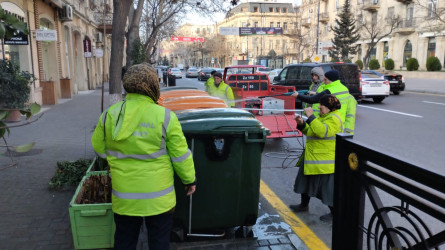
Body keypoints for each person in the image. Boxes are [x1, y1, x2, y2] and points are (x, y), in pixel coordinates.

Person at [91, 64, 196, 250]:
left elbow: (99, 148)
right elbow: (181, 155)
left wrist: (117, 158)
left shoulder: (109, 115)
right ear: (152, 85)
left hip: (125, 198)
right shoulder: (165, 116)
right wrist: (189, 180)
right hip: (159, 199)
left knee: (125, 240)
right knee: (159, 242)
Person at [290, 95, 343, 222]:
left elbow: (321, 131)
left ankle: (335, 213)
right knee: (305, 182)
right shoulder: (323, 116)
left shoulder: (334, 119)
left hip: (323, 160)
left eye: (322, 105)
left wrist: (311, 117)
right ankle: (303, 205)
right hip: (313, 156)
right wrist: (302, 124)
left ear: (330, 107)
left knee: (326, 189)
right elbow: (311, 132)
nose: (319, 107)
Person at [292, 69, 357, 135]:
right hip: (340, 124)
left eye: (325, 80)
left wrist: (298, 95)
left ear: (330, 80)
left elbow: (312, 99)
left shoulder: (329, 90)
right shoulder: (344, 88)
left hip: (328, 120)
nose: (324, 82)